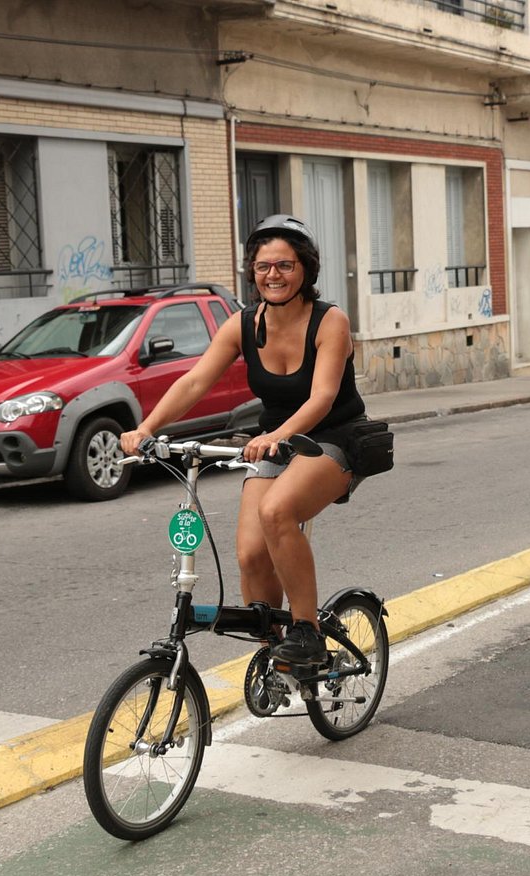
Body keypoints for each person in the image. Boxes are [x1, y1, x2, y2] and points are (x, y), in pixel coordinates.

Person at [120, 214, 365, 666]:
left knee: (276, 512)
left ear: (306, 270)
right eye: (263, 266)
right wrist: (147, 428)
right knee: (251, 555)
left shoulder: (330, 322)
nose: (273, 275)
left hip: (332, 438)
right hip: (274, 444)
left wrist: (276, 435)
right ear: (252, 272)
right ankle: (276, 650)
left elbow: (323, 397)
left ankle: (306, 631)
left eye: (285, 265)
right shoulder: (243, 324)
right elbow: (194, 384)